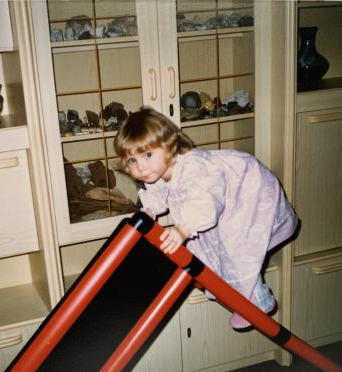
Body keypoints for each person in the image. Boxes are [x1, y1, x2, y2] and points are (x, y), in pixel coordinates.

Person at [114, 107, 298, 329]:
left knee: (238, 244)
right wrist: (147, 212)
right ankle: (241, 294)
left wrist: (183, 229)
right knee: (206, 247)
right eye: (132, 161)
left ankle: (258, 300)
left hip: (249, 190)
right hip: (228, 201)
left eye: (147, 155)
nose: (140, 166)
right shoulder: (159, 172)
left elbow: (205, 201)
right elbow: (157, 194)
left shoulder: (195, 167)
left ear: (169, 147)